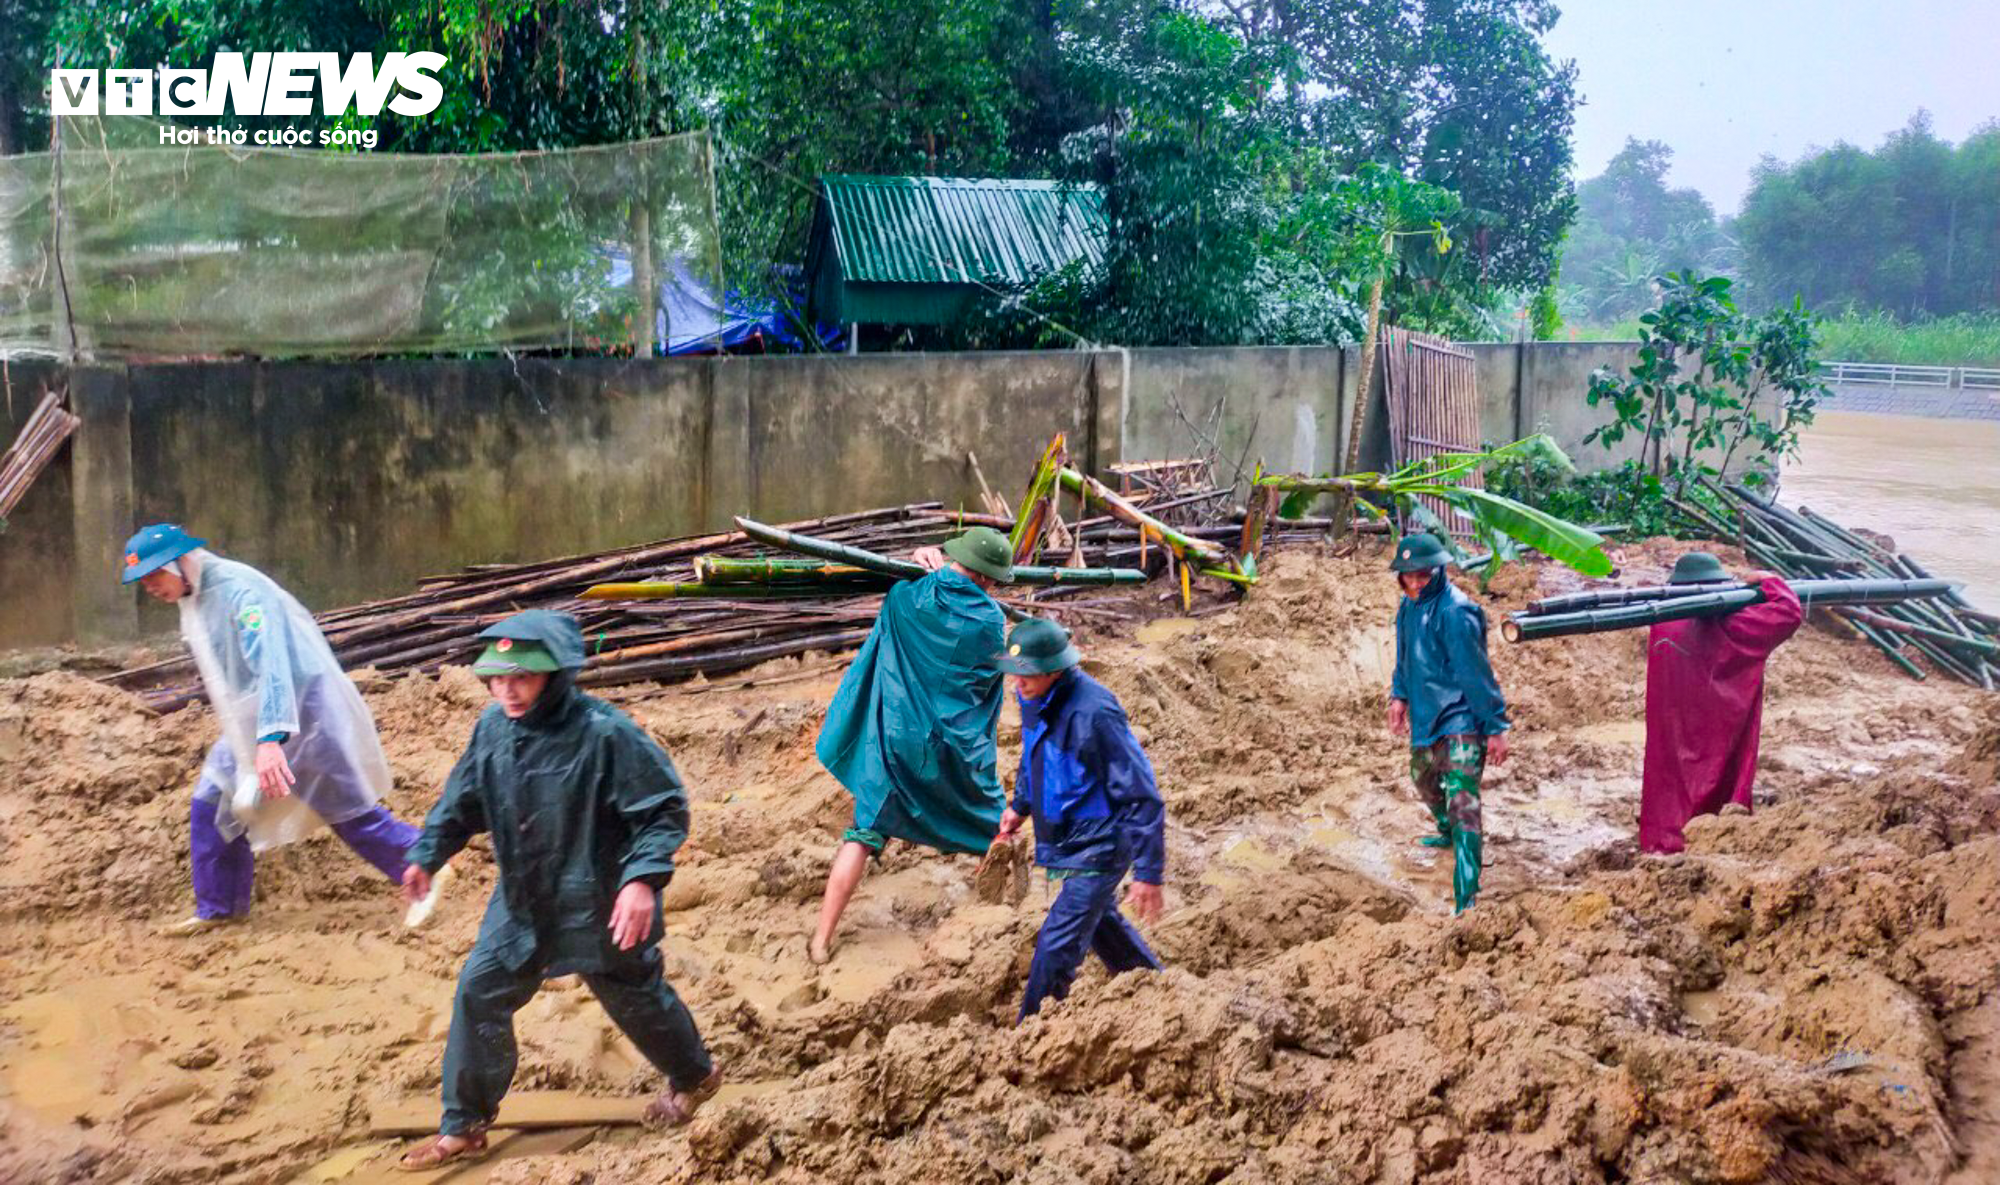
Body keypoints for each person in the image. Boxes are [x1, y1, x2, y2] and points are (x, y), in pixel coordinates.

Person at [395, 610, 718, 1171]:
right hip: (522, 897)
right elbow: (461, 802)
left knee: (634, 996)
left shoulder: (606, 733)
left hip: (599, 895)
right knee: (478, 991)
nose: (507, 690)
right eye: (497, 678)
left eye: (521, 677)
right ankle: (464, 1125)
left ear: (556, 674)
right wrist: (427, 854)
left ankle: (695, 1075)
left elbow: (664, 810)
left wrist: (641, 881)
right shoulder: (493, 729)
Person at [121, 524, 445, 937]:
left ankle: (426, 868)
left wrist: (271, 740)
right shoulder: (197, 597)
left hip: (303, 713)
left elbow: (273, 664)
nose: (148, 587)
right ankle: (219, 907)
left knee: (348, 812)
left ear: (176, 564)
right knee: (212, 802)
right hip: (251, 721)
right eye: (143, 581)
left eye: (153, 576)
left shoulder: (239, 592)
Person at [808, 525, 1015, 965]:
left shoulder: (906, 597)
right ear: (987, 578)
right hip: (953, 749)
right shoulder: (992, 621)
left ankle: (821, 940)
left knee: (862, 833)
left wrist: (922, 558)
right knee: (995, 828)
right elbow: (987, 682)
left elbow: (903, 597)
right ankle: (996, 918)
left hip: (898, 742)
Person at [991, 618, 1165, 1022]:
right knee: (1101, 921)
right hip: (1067, 838)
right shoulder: (1034, 695)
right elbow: (1035, 757)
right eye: (1014, 673)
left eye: (1028, 673)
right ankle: (1152, 983)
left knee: (1056, 944)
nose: (1018, 683)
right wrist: (1020, 807)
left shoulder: (1095, 711)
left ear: (1055, 668)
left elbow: (1141, 792)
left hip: (1101, 845)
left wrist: (1148, 872)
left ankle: (1029, 1031)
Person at [1640, 552, 1803, 854]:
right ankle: (1709, 833)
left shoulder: (1663, 621)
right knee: (1716, 769)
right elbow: (1789, 613)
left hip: (1671, 715)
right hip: (1719, 719)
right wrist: (1770, 582)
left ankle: (1662, 839)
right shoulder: (1735, 624)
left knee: (1669, 774)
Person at [1386, 533, 1511, 914]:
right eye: (1408, 576)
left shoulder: (1456, 612)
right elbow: (1405, 657)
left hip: (1461, 717)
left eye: (1423, 575)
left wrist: (1494, 726)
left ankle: (1467, 893)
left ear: (1439, 569)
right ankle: (1447, 833)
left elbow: (1476, 673)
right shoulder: (1408, 607)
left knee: (1462, 798)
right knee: (1422, 775)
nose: (1416, 582)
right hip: (1426, 713)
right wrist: (1398, 696)